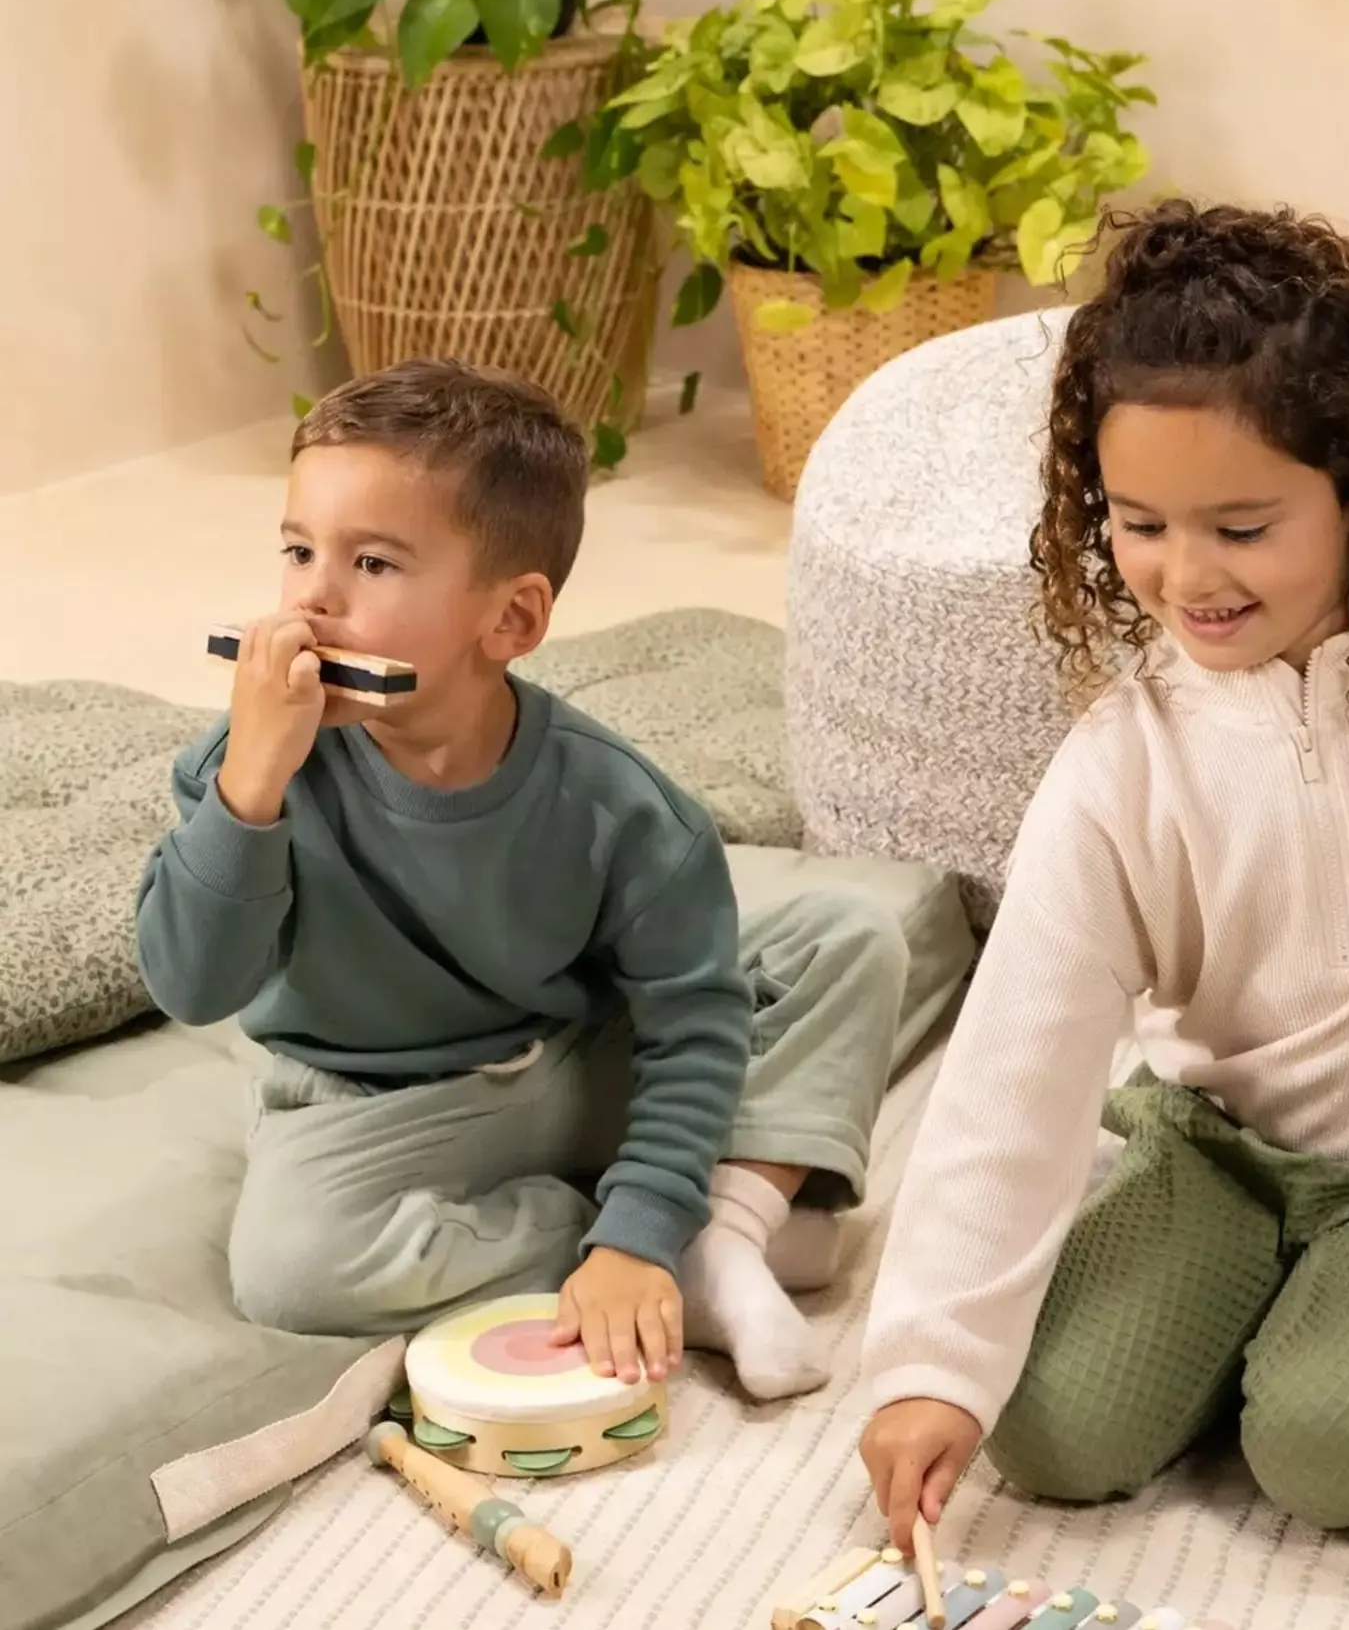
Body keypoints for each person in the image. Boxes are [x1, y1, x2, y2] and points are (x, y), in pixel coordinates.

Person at [859, 198, 1349, 1543]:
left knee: (1331, 1456)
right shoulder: (1125, 766)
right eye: (1142, 524)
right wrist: (931, 1365)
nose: (1185, 576)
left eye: (1241, 526)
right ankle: (1285, 1302)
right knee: (1043, 1426)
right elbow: (1015, 1071)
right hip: (1221, 1157)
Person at [136, 359, 909, 1402]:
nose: (312, 596)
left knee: (850, 933)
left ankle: (711, 1227)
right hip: (366, 1104)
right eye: (297, 548)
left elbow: (689, 1028)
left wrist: (641, 1215)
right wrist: (252, 791)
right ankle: (690, 1235)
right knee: (291, 1267)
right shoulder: (245, 767)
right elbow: (192, 985)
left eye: (371, 562)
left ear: (510, 621)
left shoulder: (623, 806)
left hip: (573, 1060)